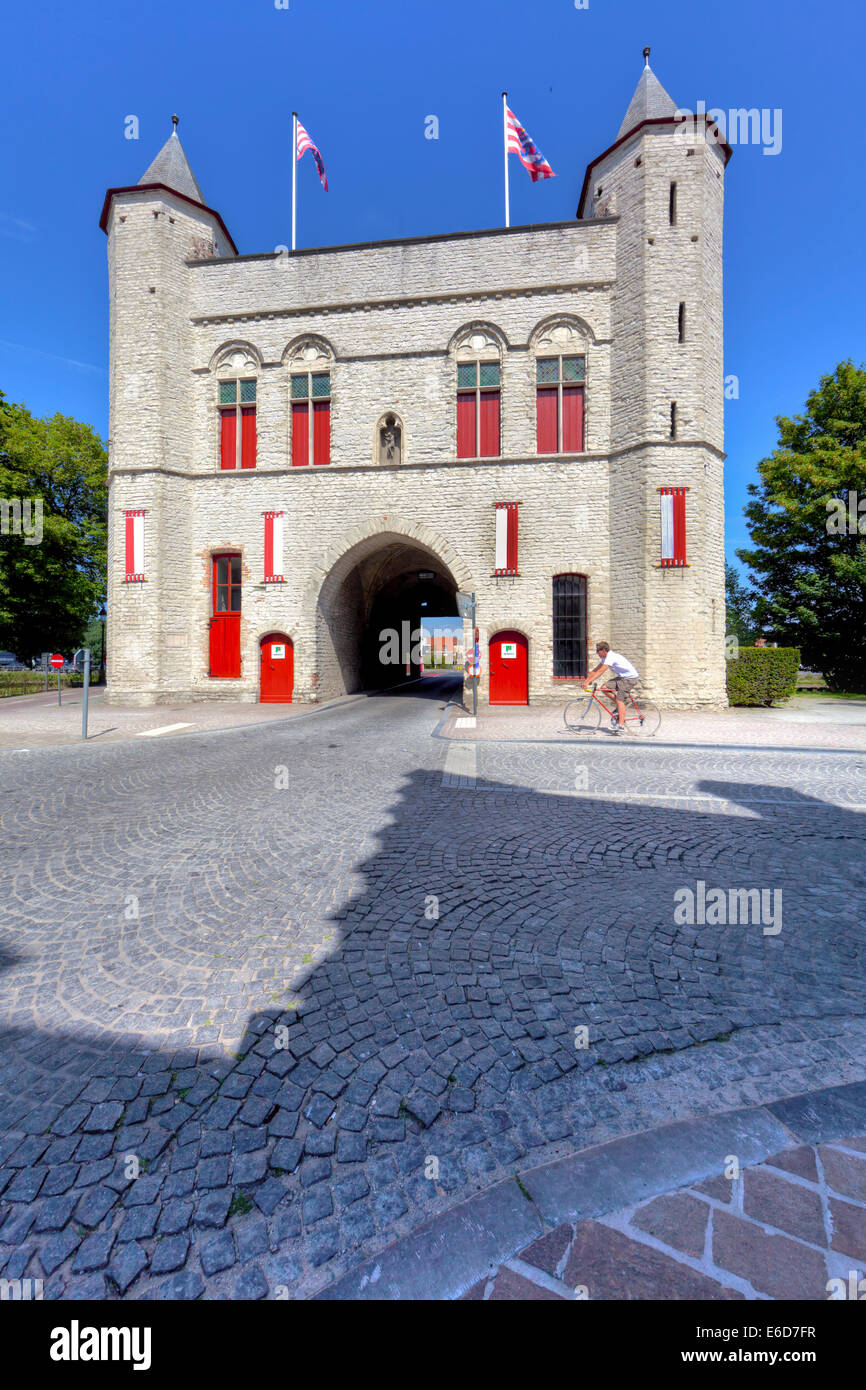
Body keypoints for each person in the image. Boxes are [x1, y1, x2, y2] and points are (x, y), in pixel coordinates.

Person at [584, 642, 640, 732]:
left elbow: (600, 672)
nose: (596, 653)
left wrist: (588, 681)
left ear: (603, 650)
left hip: (630, 678)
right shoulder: (605, 658)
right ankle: (620, 707)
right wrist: (586, 681)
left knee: (619, 700)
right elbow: (595, 670)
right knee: (604, 688)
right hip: (622, 677)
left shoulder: (610, 657)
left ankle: (620, 725)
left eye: (597, 651)